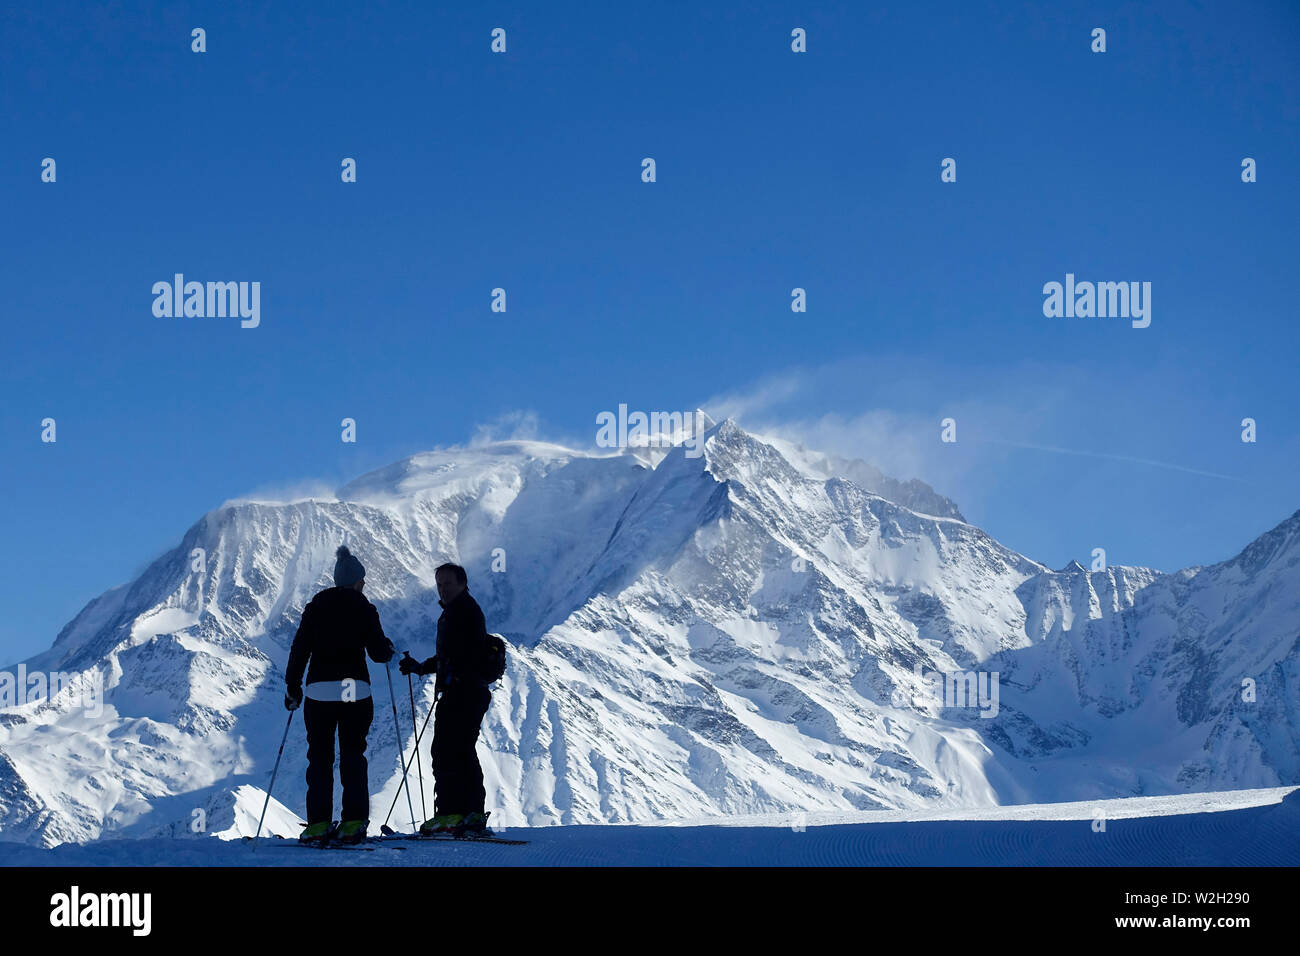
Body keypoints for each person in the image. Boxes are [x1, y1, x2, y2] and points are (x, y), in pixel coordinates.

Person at [285, 545, 394, 844]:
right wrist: (388, 649)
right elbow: (378, 652)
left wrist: (293, 687)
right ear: (359, 581)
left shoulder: (316, 606)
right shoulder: (364, 607)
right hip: (354, 691)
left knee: (319, 758)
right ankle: (353, 823)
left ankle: (318, 825)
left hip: (319, 690)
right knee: (352, 755)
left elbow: (299, 650)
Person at [399, 562, 493, 836]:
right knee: (461, 751)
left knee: (446, 752)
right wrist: (421, 668)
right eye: (439, 584)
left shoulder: (462, 612)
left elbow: (461, 655)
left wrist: (448, 673)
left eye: (448, 583)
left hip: (462, 693)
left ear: (462, 583)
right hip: (468, 691)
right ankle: (469, 814)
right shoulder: (461, 610)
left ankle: (451, 814)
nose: (443, 589)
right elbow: (450, 657)